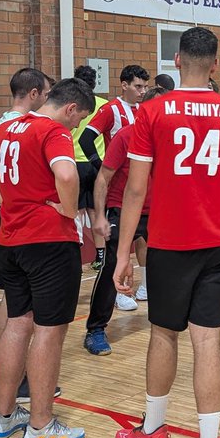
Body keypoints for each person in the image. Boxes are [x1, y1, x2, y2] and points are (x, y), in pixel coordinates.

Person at [112, 27, 220, 438]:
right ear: (216, 65)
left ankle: (155, 431)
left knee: (163, 334)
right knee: (207, 341)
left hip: (169, 244)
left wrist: (123, 253)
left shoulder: (151, 112)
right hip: (219, 245)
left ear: (176, 61)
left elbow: (136, 188)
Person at [0, 77, 94, 438]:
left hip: (10, 241)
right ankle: (41, 426)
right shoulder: (53, 132)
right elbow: (67, 174)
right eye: (79, 119)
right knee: (49, 331)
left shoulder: (7, 128)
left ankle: (5, 417)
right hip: (49, 242)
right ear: (69, 108)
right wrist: (70, 209)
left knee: (16, 325)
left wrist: (7, 201)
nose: (75, 127)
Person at [0, 67, 57, 400]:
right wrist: (7, 200)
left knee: (14, 300)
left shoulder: (6, 124)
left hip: (13, 215)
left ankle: (9, 373)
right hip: (20, 219)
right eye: (45, 93)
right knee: (16, 305)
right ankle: (8, 373)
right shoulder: (19, 126)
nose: (47, 100)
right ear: (33, 94)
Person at [83, 87, 165, 357]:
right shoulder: (126, 136)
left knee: (169, 262)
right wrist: (100, 217)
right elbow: (103, 178)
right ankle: (95, 329)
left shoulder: (170, 139)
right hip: (122, 209)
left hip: (157, 211)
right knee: (111, 268)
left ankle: (167, 317)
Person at [70, 64, 107, 270]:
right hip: (96, 164)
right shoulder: (104, 105)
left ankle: (75, 254)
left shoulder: (71, 104)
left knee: (74, 212)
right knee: (96, 211)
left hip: (73, 163)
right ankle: (100, 256)